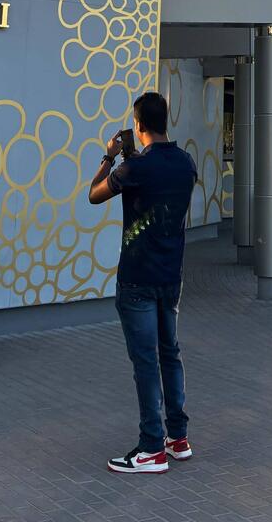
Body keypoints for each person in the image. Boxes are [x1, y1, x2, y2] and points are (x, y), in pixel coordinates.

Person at [88, 91, 198, 473]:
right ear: (164, 120)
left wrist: (110, 156)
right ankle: (177, 438)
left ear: (137, 125)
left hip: (137, 278)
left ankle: (151, 447)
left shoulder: (134, 168)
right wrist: (131, 160)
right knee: (170, 352)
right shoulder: (186, 163)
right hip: (171, 276)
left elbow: (93, 194)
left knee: (146, 361)